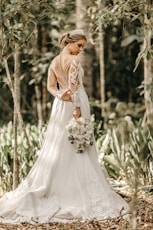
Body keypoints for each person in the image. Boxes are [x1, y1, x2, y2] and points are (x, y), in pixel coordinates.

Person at [0, 29, 129, 224]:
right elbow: (75, 86)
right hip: (74, 104)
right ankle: (76, 189)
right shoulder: (74, 61)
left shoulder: (54, 62)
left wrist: (60, 95)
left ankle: (59, 184)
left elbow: (51, 86)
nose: (80, 50)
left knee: (61, 143)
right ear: (70, 42)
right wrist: (76, 107)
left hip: (60, 105)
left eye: (83, 47)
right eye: (79, 45)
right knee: (78, 142)